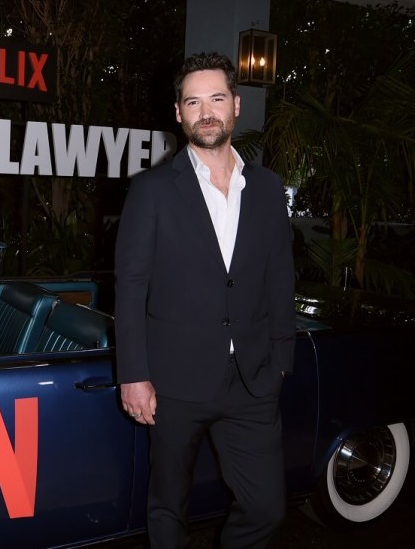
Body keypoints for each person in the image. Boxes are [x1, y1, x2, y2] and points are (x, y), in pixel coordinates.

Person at [114, 52, 295, 549]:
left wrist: (281, 358)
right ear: (179, 114)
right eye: (193, 102)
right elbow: (130, 286)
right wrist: (133, 373)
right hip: (173, 382)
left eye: (216, 98)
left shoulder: (267, 188)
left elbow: (281, 276)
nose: (206, 111)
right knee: (169, 508)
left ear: (236, 105)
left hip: (254, 382)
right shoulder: (151, 191)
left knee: (266, 509)